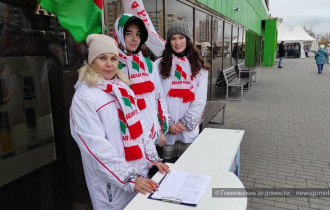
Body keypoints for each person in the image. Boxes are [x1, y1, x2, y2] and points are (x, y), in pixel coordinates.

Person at [69, 34, 169, 209]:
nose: (109, 64)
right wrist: (129, 178)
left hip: (139, 175)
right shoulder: (84, 96)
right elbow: (95, 148)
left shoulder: (124, 89)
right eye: (102, 58)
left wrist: (153, 159)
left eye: (113, 58)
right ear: (92, 62)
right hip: (112, 184)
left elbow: (140, 130)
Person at [154, 20, 208, 163]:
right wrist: (168, 124)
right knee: (166, 171)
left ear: (188, 40)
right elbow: (157, 97)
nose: (177, 42)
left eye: (181, 37)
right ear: (168, 42)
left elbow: (200, 100)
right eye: (173, 38)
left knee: (188, 167)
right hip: (167, 132)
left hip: (188, 131)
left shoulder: (199, 67)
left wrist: (184, 124)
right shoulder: (159, 65)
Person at [113, 14, 169, 148]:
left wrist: (161, 129)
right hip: (127, 142)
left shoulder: (149, 65)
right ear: (119, 34)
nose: (134, 39)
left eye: (138, 34)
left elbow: (159, 98)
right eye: (128, 33)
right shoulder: (112, 68)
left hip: (153, 138)